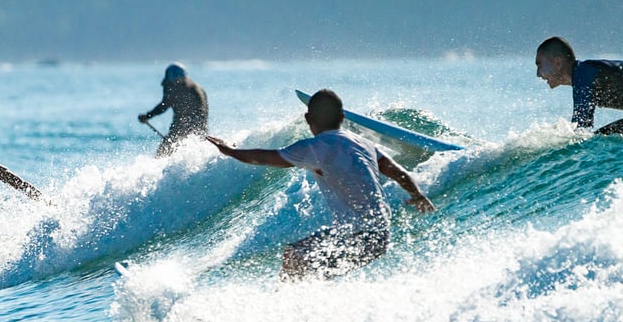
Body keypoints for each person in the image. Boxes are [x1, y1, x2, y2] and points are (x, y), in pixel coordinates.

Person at [205, 89, 435, 281]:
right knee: (301, 261)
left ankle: (293, 311)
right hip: (380, 235)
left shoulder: (314, 147)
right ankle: (306, 306)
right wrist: (418, 194)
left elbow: (265, 158)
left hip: (358, 237)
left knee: (296, 258)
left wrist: (231, 151)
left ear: (308, 119)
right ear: (343, 117)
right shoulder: (364, 144)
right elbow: (399, 172)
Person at [535, 36, 623, 135]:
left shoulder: (583, 75)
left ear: (558, 62)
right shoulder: (584, 73)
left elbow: (582, 129)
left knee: (602, 137)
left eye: (539, 65)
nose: (538, 74)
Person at [138, 63, 209, 156]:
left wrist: (147, 116)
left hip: (181, 129)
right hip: (201, 130)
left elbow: (163, 106)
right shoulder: (198, 88)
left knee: (161, 154)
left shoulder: (177, 88)